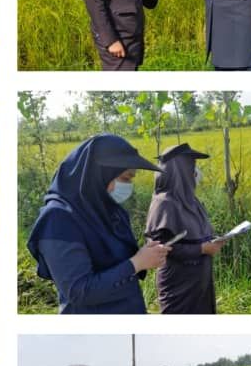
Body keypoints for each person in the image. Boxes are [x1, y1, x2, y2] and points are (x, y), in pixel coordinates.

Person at [27, 134, 170, 314]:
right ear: (99, 174)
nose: (128, 186)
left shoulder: (111, 211)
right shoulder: (58, 219)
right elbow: (79, 291)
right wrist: (136, 263)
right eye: (125, 178)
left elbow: (120, 262)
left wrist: (147, 255)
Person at [145, 143, 225, 314]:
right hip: (179, 285)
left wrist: (212, 241)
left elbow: (195, 234)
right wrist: (202, 248)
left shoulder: (191, 200)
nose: (195, 172)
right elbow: (162, 248)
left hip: (199, 282)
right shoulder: (164, 203)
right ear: (180, 170)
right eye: (192, 166)